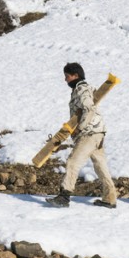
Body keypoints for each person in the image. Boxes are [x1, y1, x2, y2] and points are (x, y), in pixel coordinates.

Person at [46, 63, 118, 208]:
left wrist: (81, 128)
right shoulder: (87, 88)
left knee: (73, 161)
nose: (65, 80)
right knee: (100, 166)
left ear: (76, 76)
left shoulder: (81, 89)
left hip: (89, 134)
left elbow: (89, 108)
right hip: (98, 133)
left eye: (67, 76)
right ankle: (110, 199)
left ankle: (64, 197)